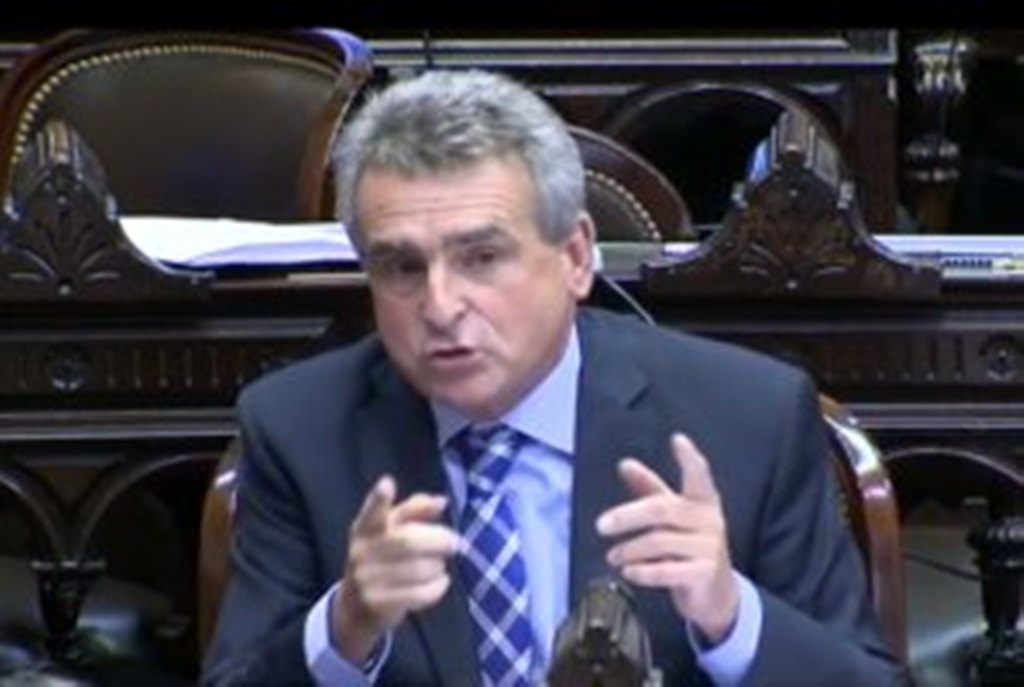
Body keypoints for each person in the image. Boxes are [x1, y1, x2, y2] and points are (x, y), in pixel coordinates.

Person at [202, 69, 903, 686]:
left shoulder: (748, 418)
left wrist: (729, 613)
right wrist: (343, 628)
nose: (440, 306)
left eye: (481, 258)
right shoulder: (299, 428)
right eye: (403, 267)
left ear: (575, 256)